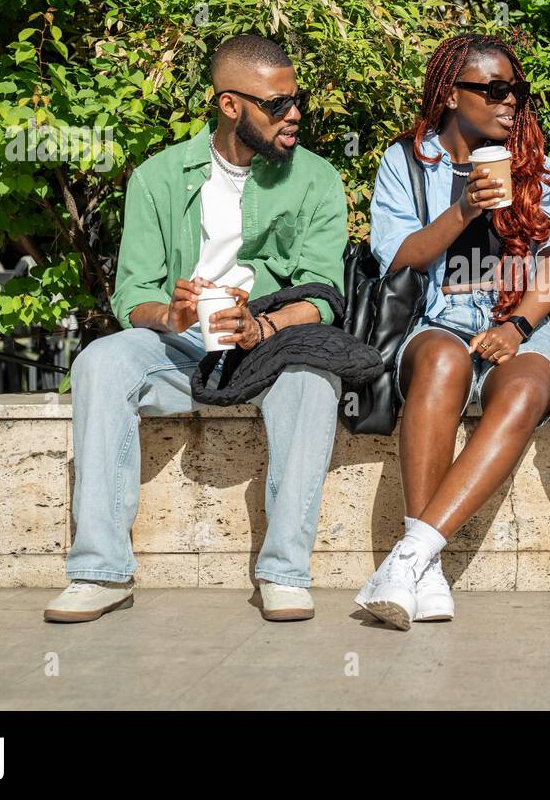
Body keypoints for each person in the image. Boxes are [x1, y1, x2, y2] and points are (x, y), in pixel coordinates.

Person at [44, 34, 347, 624]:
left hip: (270, 347)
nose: (295, 115)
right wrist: (171, 316)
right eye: (277, 104)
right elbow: (135, 294)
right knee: (99, 362)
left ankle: (284, 572)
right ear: (230, 105)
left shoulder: (316, 179)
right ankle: (99, 571)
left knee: (313, 381)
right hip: (182, 347)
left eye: (296, 99)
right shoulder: (158, 178)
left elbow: (324, 296)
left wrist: (265, 326)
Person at [359, 33, 550, 630]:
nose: (512, 103)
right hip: (435, 319)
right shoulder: (405, 161)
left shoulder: (539, 166)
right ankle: (423, 570)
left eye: (517, 92)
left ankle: (412, 560)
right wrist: (466, 210)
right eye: (496, 90)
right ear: (453, 94)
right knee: (443, 363)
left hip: (517, 320)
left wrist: (519, 324)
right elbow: (397, 257)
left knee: (529, 383)